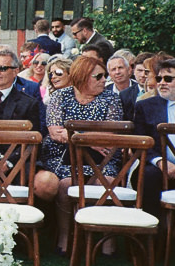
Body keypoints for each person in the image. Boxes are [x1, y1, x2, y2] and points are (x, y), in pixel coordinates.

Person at [32, 56, 123, 254]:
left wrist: (74, 134)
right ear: (82, 77)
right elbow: (55, 132)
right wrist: (88, 138)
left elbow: (109, 134)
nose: (104, 80)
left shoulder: (111, 98)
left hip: (103, 158)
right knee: (65, 185)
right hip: (64, 156)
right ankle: (66, 237)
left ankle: (107, 238)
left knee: (107, 181)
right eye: (98, 76)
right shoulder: (60, 96)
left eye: (104, 76)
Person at [132, 57, 175, 221]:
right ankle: (154, 231)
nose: (162, 83)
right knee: (148, 176)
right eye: (159, 78)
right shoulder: (145, 107)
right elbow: (139, 143)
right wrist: (161, 162)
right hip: (160, 169)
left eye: (168, 79)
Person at [107, 53, 139, 121]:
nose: (117, 72)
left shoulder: (139, 89)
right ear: (109, 74)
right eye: (113, 69)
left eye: (120, 68)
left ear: (129, 69)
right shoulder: (105, 91)